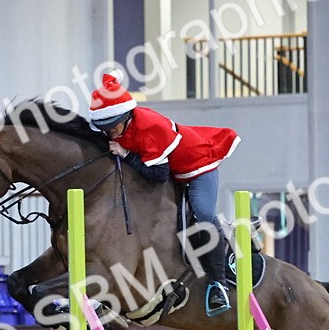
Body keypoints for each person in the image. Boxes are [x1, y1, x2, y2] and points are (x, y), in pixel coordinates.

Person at [87, 72, 241, 316]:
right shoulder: (117, 126)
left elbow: (158, 174)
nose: (110, 133)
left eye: (112, 127)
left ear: (126, 116)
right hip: (172, 171)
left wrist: (126, 155)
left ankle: (218, 283)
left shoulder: (150, 127)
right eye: (105, 129)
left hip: (197, 169)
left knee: (202, 213)